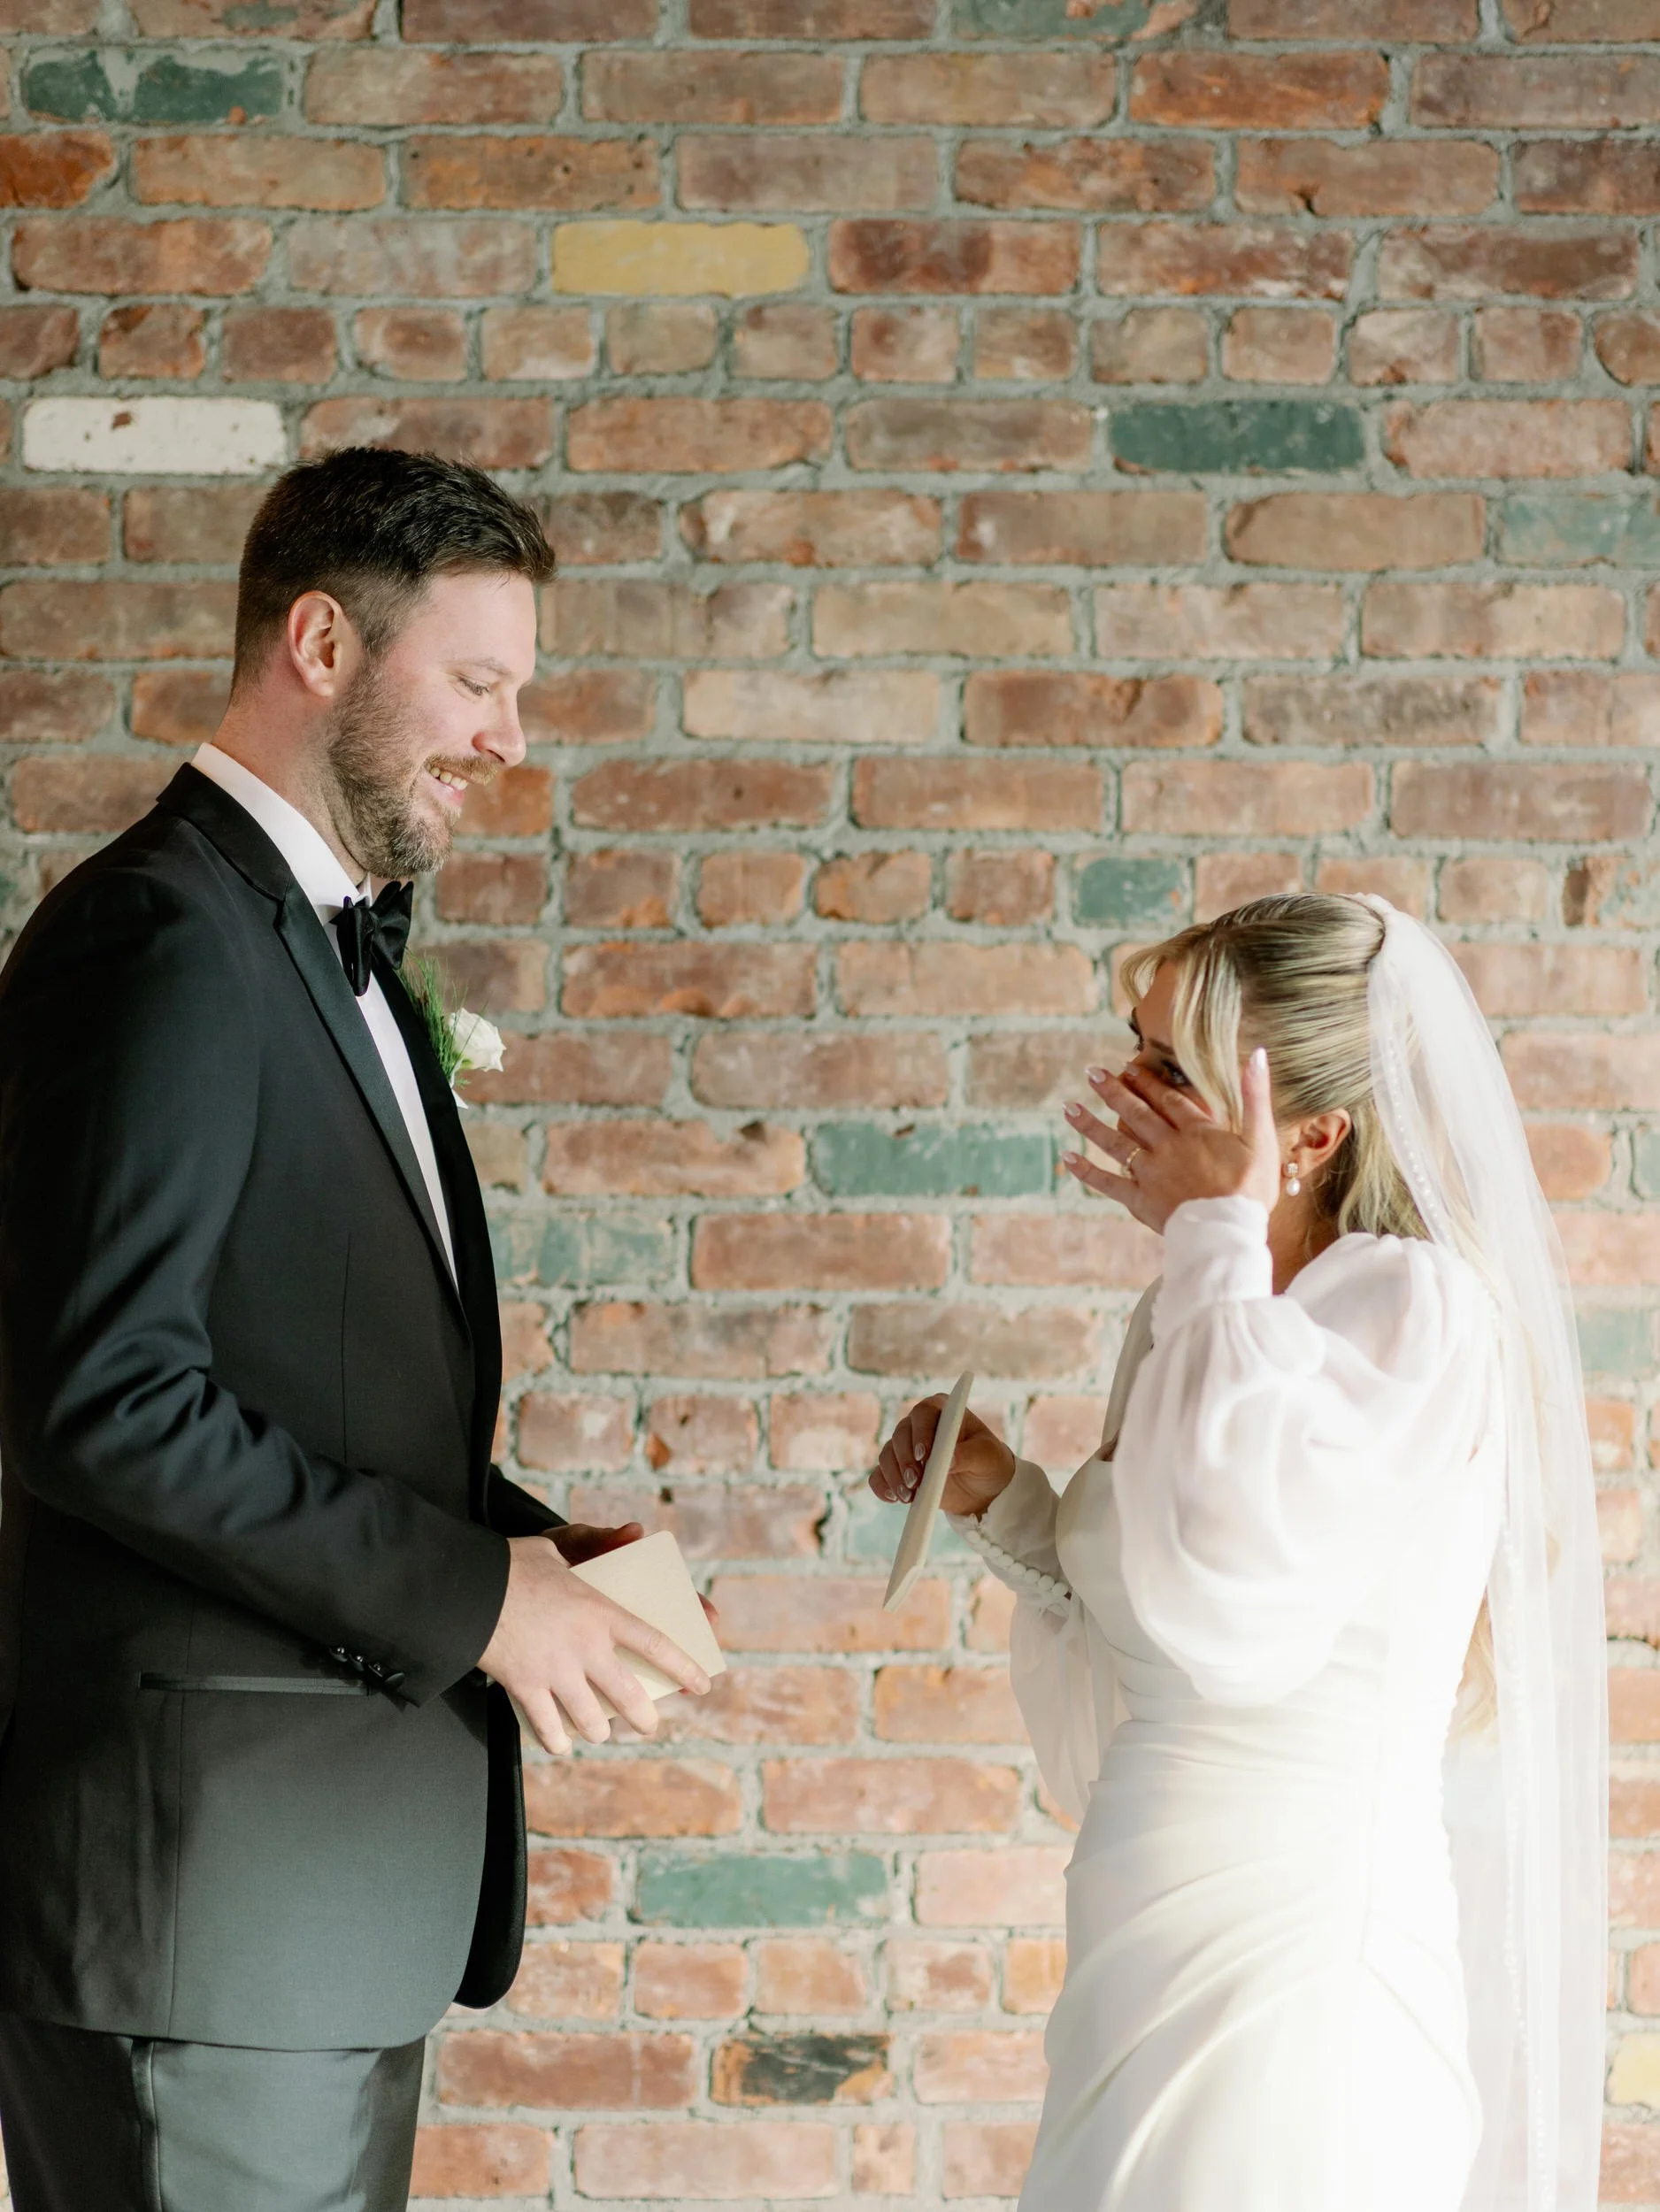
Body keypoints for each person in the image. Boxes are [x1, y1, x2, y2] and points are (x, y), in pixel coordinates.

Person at [0, 446, 711, 2212]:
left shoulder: (321, 950)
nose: (509, 736)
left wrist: (528, 1550)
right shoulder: (160, 940)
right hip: (208, 1917)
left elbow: (289, 1385)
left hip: (318, 1910)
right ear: (320, 640)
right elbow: (97, 1399)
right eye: (475, 682)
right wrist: (476, 1602)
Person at [872, 894, 1606, 2212]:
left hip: (1297, 1951)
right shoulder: (1199, 1310)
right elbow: (1158, 1608)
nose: (1124, 1090)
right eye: (1134, 1045)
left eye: (1171, 1070)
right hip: (1146, 1923)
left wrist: (1211, 1242)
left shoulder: (1410, 1306)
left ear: (1312, 1136)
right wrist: (1004, 1501)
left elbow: (1236, 1599)